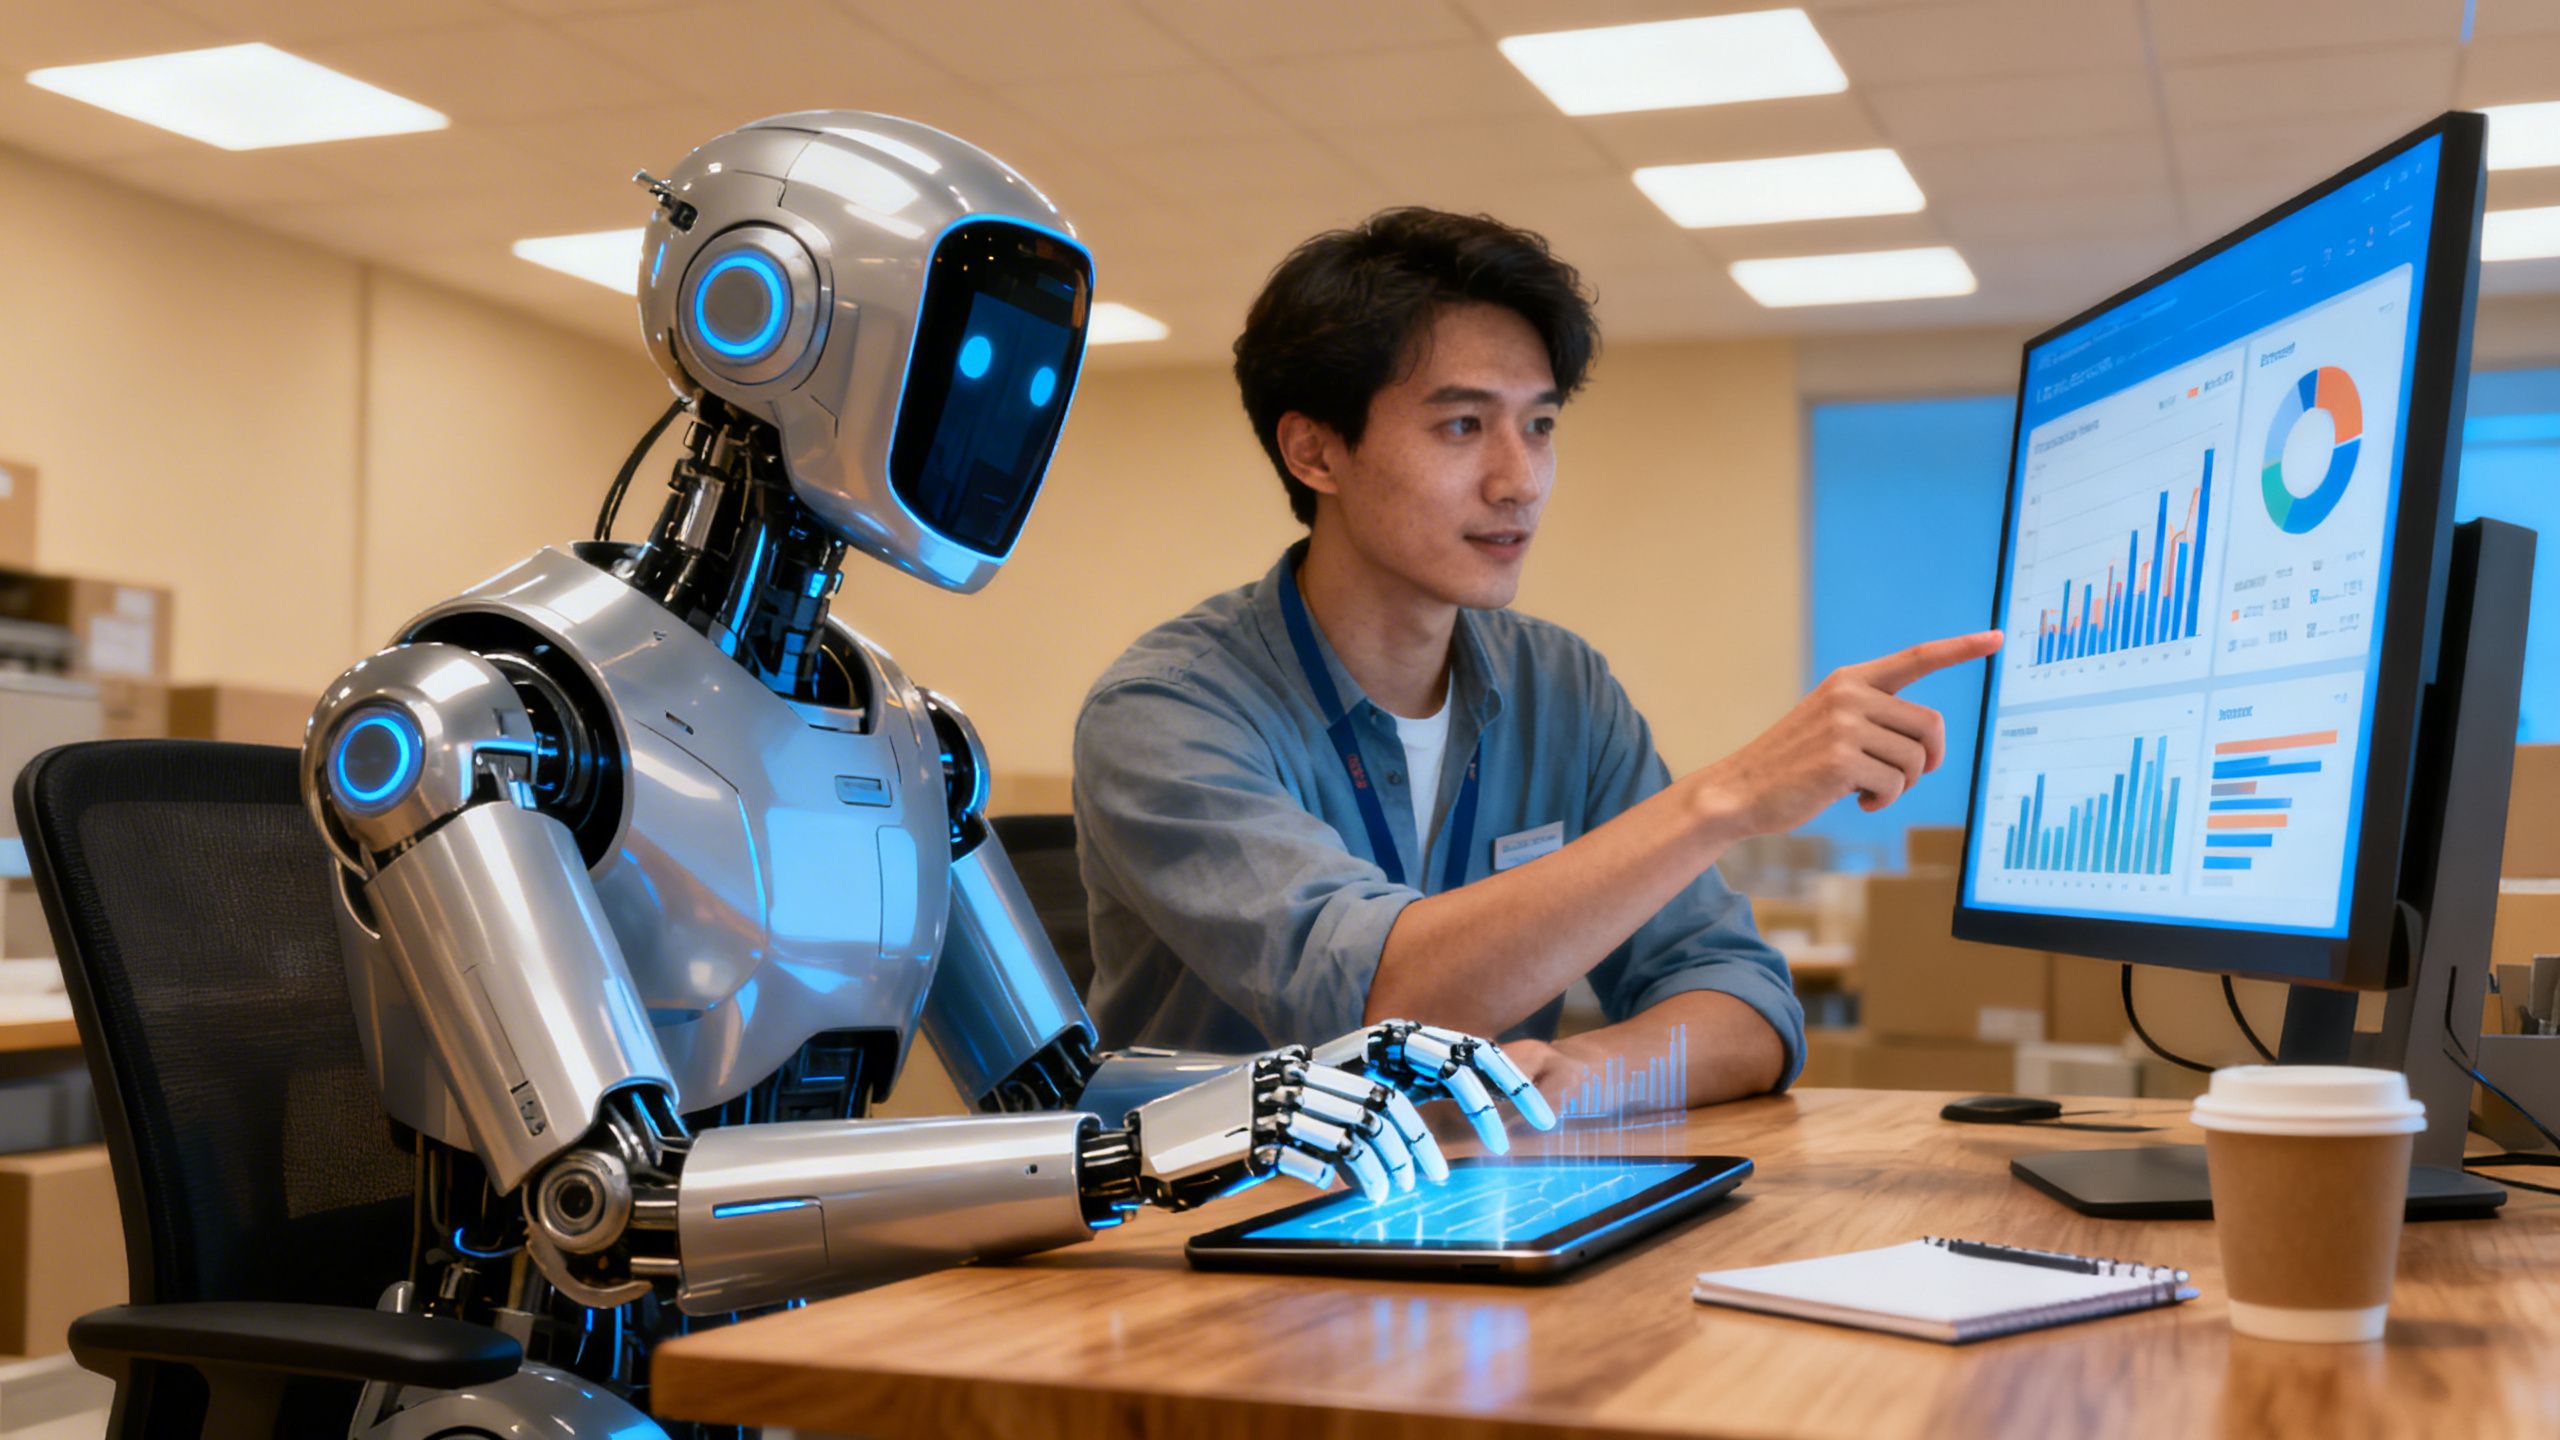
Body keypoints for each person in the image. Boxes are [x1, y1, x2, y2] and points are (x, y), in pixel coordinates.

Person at [1074, 208, 2000, 1111]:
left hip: (1472, 1213)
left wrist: (1586, 1079)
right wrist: (1723, 801)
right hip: (1205, 1235)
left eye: (1541, 425)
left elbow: (1745, 1005)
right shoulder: (1166, 712)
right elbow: (1381, 1006)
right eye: (1463, 426)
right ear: (1315, 450)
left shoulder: (1561, 689)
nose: (1520, 480)